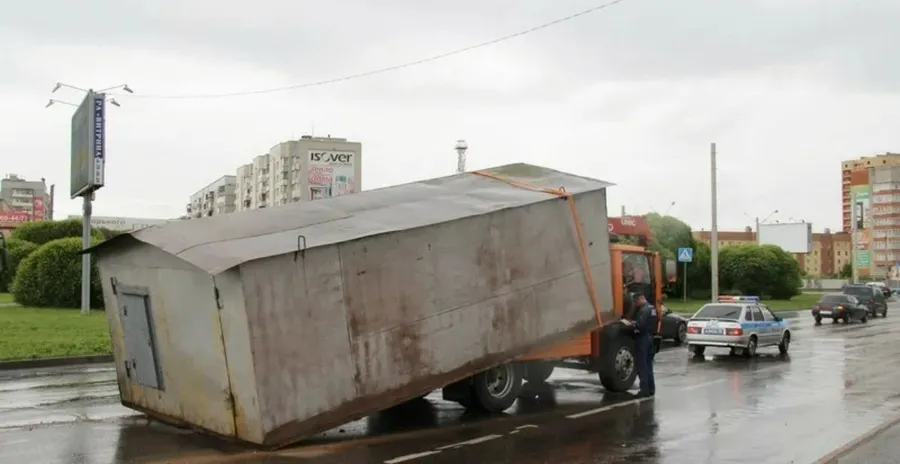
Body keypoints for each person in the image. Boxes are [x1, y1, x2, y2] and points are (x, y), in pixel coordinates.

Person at [629, 292, 658, 397]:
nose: (635, 304)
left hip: (642, 339)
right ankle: (651, 389)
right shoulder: (652, 308)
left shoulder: (643, 310)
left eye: (636, 301)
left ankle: (644, 390)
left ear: (640, 299)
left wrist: (632, 324)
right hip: (650, 337)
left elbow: (640, 325)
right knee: (649, 365)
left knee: (642, 366)